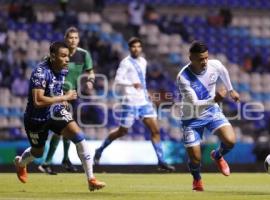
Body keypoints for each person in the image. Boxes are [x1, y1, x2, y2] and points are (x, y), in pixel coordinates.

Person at [14, 41, 105, 191]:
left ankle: (91, 179)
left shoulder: (63, 69)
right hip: (36, 118)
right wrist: (64, 98)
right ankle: (20, 163)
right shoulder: (40, 72)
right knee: (38, 152)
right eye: (63, 56)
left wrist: (60, 98)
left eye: (68, 56)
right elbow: (37, 101)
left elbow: (55, 88)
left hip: (55, 111)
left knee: (79, 137)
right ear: (53, 56)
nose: (67, 59)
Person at [94, 37, 175, 172]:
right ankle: (100, 149)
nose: (136, 49)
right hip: (130, 102)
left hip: (144, 102)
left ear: (141, 48)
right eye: (133, 47)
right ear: (129, 48)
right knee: (122, 131)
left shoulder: (143, 61)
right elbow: (118, 80)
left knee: (155, 130)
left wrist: (146, 92)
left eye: (138, 46)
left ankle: (161, 161)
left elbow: (141, 81)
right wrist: (131, 84)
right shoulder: (125, 63)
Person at [176, 41, 240, 191]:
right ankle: (197, 179)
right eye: (200, 59)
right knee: (196, 159)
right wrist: (215, 99)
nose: (204, 62)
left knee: (230, 141)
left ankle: (217, 155)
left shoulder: (214, 65)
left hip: (211, 111)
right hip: (191, 118)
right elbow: (195, 104)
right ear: (191, 58)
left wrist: (231, 90)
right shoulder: (183, 77)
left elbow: (223, 71)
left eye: (206, 58)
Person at [38, 27, 95, 175]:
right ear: (65, 39)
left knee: (68, 128)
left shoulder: (84, 54)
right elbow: (44, 69)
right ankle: (47, 162)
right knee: (60, 130)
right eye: (70, 38)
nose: (73, 40)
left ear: (79, 39)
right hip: (56, 94)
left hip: (72, 95)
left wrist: (90, 81)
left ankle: (64, 159)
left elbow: (91, 72)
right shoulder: (59, 54)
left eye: (76, 38)